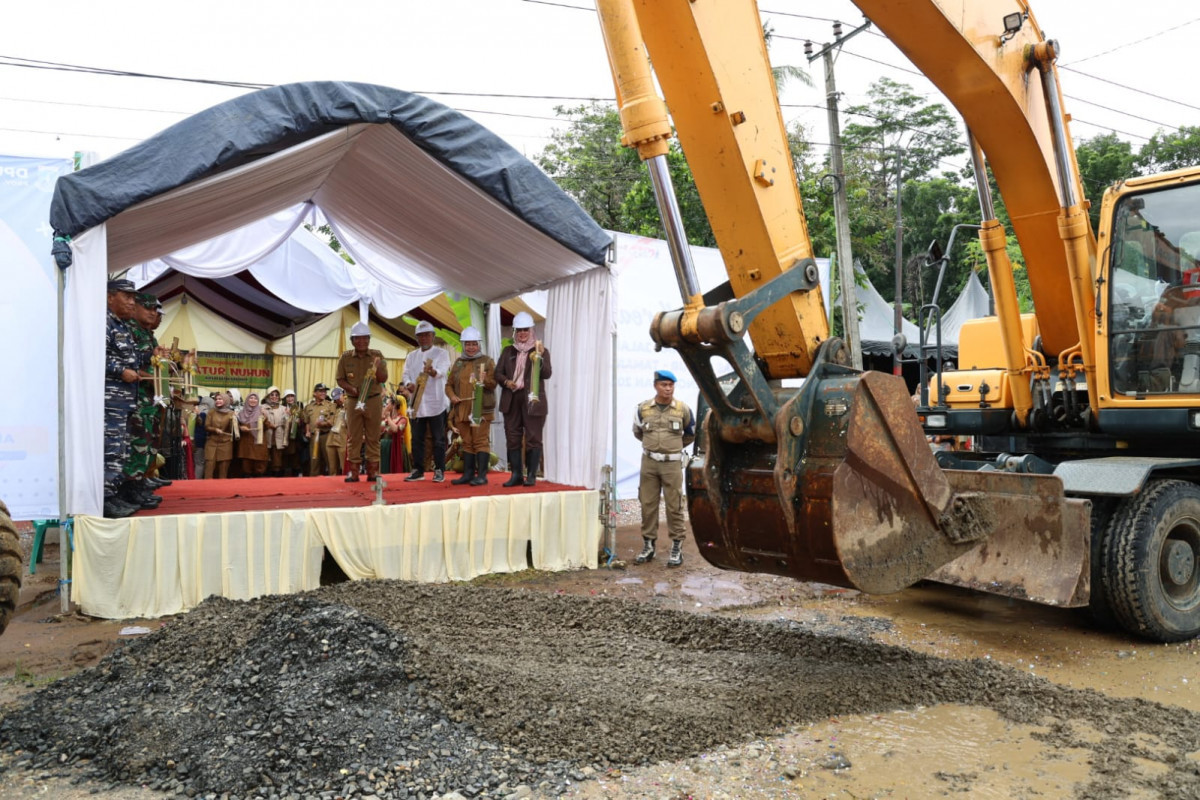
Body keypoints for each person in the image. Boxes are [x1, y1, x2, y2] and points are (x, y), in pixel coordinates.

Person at [633, 370, 695, 567]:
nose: (668, 388)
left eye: (671, 385)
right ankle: (648, 545)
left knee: (674, 505)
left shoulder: (682, 409)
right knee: (647, 504)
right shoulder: (643, 408)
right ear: (655, 386)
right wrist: (654, 446)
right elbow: (638, 432)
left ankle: (677, 547)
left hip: (672, 464)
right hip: (649, 463)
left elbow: (690, 433)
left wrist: (671, 447)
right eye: (664, 385)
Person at [494, 311, 551, 487]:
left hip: (532, 399)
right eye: (519, 330)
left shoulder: (541, 350)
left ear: (531, 330)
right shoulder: (508, 351)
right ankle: (516, 474)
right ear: (514, 332)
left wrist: (540, 357)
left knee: (534, 437)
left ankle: (532, 475)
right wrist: (506, 381)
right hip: (511, 399)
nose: (522, 333)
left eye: (525, 330)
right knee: (512, 437)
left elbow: (547, 373)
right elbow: (497, 373)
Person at [102, 279, 142, 518]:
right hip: (110, 399)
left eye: (133, 298)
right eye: (126, 297)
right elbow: (96, 353)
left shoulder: (123, 326)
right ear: (110, 297)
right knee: (111, 450)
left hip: (123, 401)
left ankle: (114, 494)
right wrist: (120, 370)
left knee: (120, 451)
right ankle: (105, 499)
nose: (131, 302)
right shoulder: (105, 322)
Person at [336, 321, 389, 482]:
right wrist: (352, 390)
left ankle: (373, 472)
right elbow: (340, 379)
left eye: (365, 338)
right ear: (352, 341)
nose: (361, 342)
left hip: (373, 400)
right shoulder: (345, 358)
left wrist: (378, 366)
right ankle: (354, 471)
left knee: (374, 436)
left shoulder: (378, 355)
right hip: (353, 401)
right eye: (357, 339)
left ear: (369, 339)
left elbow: (383, 378)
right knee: (354, 437)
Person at [445, 326, 497, 486]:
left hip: (480, 410)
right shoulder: (459, 363)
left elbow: (493, 383)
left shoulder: (487, 361)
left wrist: (484, 380)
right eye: (468, 344)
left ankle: (481, 475)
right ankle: (467, 474)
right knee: (467, 442)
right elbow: (449, 385)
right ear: (463, 345)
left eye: (474, 344)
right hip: (461, 410)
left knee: (480, 441)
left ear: (479, 344)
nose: (471, 347)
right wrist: (452, 396)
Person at [400, 320, 450, 482]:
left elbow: (442, 371)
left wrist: (432, 371)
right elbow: (405, 374)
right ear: (416, 338)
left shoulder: (441, 353)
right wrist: (408, 384)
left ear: (433, 336)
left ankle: (440, 470)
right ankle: (418, 470)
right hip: (417, 403)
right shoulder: (411, 356)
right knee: (417, 438)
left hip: (436, 402)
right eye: (420, 336)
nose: (424, 338)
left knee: (439, 439)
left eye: (427, 335)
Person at [303, 383, 336, 476]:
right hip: (314, 437)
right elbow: (307, 421)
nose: (323, 393)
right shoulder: (309, 407)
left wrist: (323, 424)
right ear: (314, 393)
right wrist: (308, 431)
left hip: (326, 435)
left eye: (325, 391)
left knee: (329, 460)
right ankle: (314, 482)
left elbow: (332, 422)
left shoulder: (330, 405)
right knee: (314, 460)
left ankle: (332, 480)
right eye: (321, 391)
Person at [204, 391, 237, 479]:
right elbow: (206, 426)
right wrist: (215, 429)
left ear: (226, 400)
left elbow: (233, 430)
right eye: (216, 399)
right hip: (212, 443)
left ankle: (222, 490)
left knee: (223, 470)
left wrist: (234, 420)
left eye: (220, 399)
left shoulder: (231, 413)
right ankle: (206, 489)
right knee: (209, 467)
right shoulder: (211, 412)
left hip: (226, 443)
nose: (217, 401)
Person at [236, 391, 270, 477]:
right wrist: (240, 428)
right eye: (251, 398)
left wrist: (265, 417)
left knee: (260, 467)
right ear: (247, 399)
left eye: (255, 398)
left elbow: (267, 427)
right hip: (246, 444)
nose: (253, 400)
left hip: (258, 444)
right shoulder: (240, 413)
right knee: (246, 467)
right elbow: (235, 428)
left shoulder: (262, 412)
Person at [262, 386, 290, 477]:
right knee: (264, 460)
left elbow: (287, 424)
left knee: (277, 461)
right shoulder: (262, 408)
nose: (274, 397)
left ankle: (276, 479)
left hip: (279, 437)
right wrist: (268, 424)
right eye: (272, 395)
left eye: (276, 395)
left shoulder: (284, 409)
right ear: (267, 396)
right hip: (266, 437)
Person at [327, 387, 349, 479]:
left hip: (343, 440)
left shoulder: (349, 405)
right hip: (331, 440)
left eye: (338, 398)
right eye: (335, 399)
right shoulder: (333, 407)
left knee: (344, 467)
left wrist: (345, 403)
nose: (337, 401)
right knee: (332, 468)